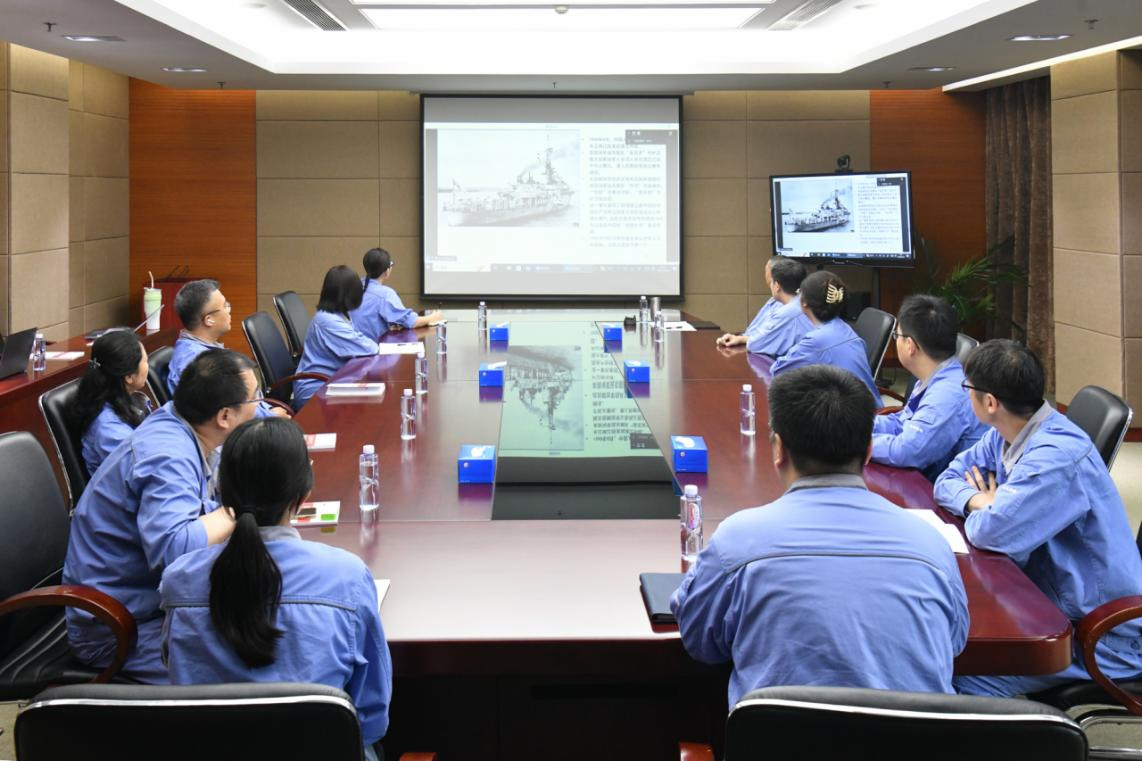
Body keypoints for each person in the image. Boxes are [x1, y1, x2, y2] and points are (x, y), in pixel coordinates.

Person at [671, 365, 969, 707]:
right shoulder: (930, 544)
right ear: (868, 451)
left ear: (778, 449)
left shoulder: (737, 542)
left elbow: (699, 640)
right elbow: (954, 641)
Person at [161, 417, 392, 758]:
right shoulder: (348, 578)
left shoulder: (179, 580)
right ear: (304, 493)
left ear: (222, 492)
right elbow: (371, 717)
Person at [934, 339, 1142, 697]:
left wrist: (993, 511)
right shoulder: (1009, 432)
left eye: (967, 388)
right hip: (1044, 598)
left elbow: (989, 533)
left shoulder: (1055, 458)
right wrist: (983, 501)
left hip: (1100, 636)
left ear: (990, 402)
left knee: (957, 670)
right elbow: (946, 480)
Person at [63, 349, 261, 682]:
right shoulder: (168, 454)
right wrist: (240, 510)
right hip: (119, 626)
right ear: (225, 416)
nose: (260, 405)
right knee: (254, 670)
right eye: (256, 397)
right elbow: (175, 549)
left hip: (151, 603)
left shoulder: (183, 425)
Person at [870, 294, 988, 480]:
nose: (896, 341)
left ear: (910, 345)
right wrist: (857, 425)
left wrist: (857, 443)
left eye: (897, 336)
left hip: (947, 490)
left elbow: (908, 451)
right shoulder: (936, 374)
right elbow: (903, 422)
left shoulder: (949, 393)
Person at [166, 278, 286, 418]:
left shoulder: (205, 348)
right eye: (225, 306)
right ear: (209, 320)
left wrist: (268, 410)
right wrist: (268, 415)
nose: (229, 310)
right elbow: (223, 413)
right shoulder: (197, 363)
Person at [771, 270, 880, 402]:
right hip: (868, 408)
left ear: (804, 302)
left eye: (800, 293)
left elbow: (778, 371)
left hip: (852, 413)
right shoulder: (846, 329)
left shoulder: (816, 341)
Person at [293, 265, 384, 409]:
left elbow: (359, 341)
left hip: (333, 381)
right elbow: (369, 348)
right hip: (316, 388)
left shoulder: (339, 314)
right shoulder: (328, 321)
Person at [71, 330, 153, 476]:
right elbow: (141, 473)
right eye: (145, 361)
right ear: (129, 377)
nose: (148, 366)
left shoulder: (123, 400)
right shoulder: (109, 428)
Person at [715, 256, 811, 357]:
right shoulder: (806, 303)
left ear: (777, 286)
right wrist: (742, 339)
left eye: (771, 282)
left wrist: (744, 340)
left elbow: (756, 345)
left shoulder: (787, 313)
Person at [350, 247, 442, 339]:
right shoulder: (385, 294)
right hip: (373, 345)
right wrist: (434, 317)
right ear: (387, 271)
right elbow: (410, 322)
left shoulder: (354, 286)